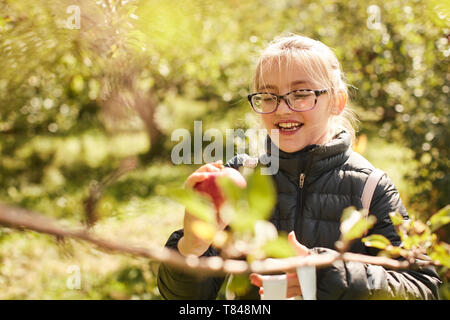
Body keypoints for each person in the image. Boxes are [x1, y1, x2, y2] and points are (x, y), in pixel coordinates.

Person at [157, 33, 441, 300]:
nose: (282, 109)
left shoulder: (371, 188)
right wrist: (192, 247)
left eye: (301, 94)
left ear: (337, 102)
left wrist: (327, 274)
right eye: (268, 97)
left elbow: (423, 287)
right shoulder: (240, 180)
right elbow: (183, 297)